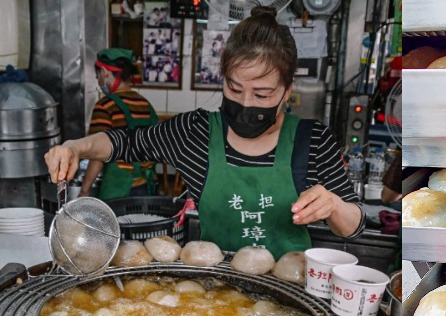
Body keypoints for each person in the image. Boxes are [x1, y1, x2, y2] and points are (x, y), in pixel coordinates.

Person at [45, 7, 365, 258]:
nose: (245, 103)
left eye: (263, 94)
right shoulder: (196, 132)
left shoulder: (313, 140)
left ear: (286, 90)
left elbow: (354, 227)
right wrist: (76, 146)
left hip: (291, 303)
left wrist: (334, 206)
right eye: (234, 88)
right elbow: (121, 142)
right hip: (214, 303)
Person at [80, 48, 159, 199]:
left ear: (104, 72)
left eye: (97, 75)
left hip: (118, 189)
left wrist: (84, 191)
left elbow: (97, 155)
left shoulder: (105, 106)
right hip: (146, 188)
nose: (98, 80)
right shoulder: (145, 105)